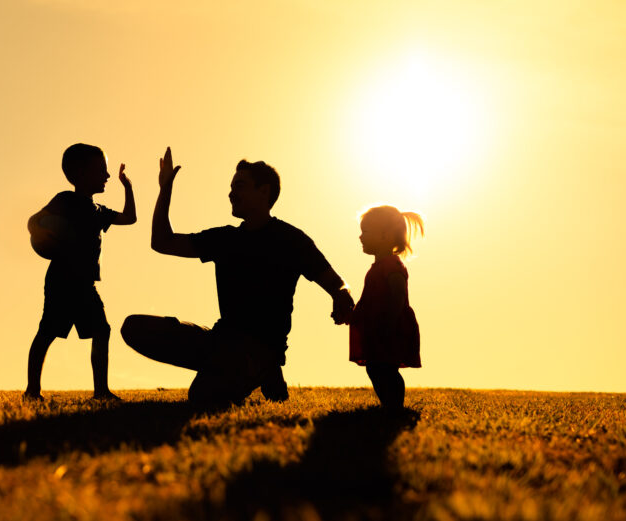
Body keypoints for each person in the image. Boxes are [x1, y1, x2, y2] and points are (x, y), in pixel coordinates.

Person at [121, 147, 354, 408]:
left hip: (262, 346)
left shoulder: (291, 239)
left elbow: (335, 281)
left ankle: (264, 368)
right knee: (134, 327)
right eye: (231, 187)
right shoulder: (225, 239)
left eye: (240, 186)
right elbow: (162, 242)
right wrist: (166, 189)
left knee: (202, 397)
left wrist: (340, 295)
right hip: (222, 341)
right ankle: (254, 373)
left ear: (264, 191)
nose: (231, 193)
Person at [24, 143, 136, 401]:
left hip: (85, 284)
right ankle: (31, 391)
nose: (107, 176)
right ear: (80, 173)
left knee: (101, 330)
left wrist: (127, 187)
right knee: (47, 332)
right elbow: (33, 219)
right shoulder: (65, 200)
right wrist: (37, 231)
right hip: (62, 280)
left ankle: (101, 392)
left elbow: (130, 218)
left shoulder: (98, 212)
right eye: (101, 170)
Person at [350, 205, 423, 410]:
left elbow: (398, 293)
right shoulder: (379, 267)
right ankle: (389, 405)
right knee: (376, 367)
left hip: (390, 325)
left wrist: (390, 321)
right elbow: (370, 299)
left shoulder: (392, 266)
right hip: (378, 326)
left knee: (386, 368)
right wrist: (354, 315)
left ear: (386, 235)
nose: (360, 237)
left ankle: (395, 406)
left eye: (366, 232)